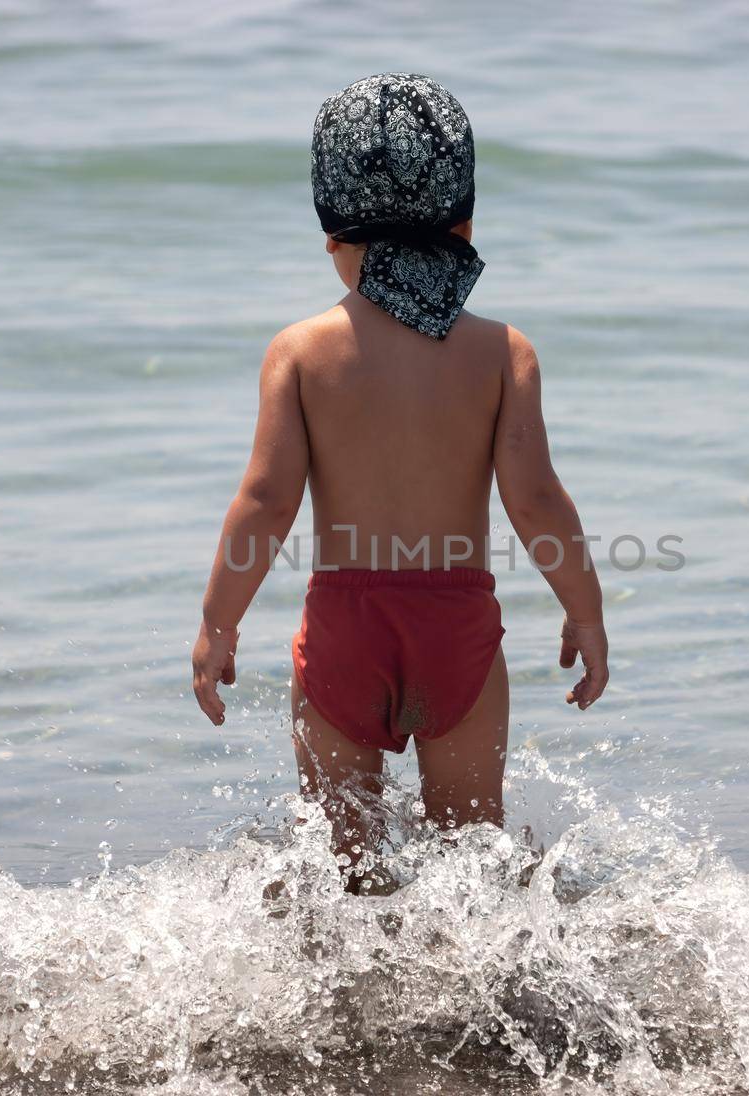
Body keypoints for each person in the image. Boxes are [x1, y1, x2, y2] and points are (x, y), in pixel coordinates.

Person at [190, 73, 607, 884]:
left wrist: (218, 624)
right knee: (470, 868)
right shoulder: (502, 352)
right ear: (466, 223)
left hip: (346, 629)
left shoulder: (302, 351)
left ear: (333, 240)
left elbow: (267, 505)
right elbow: (537, 500)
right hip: (457, 628)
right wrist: (583, 610)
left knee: (342, 875)